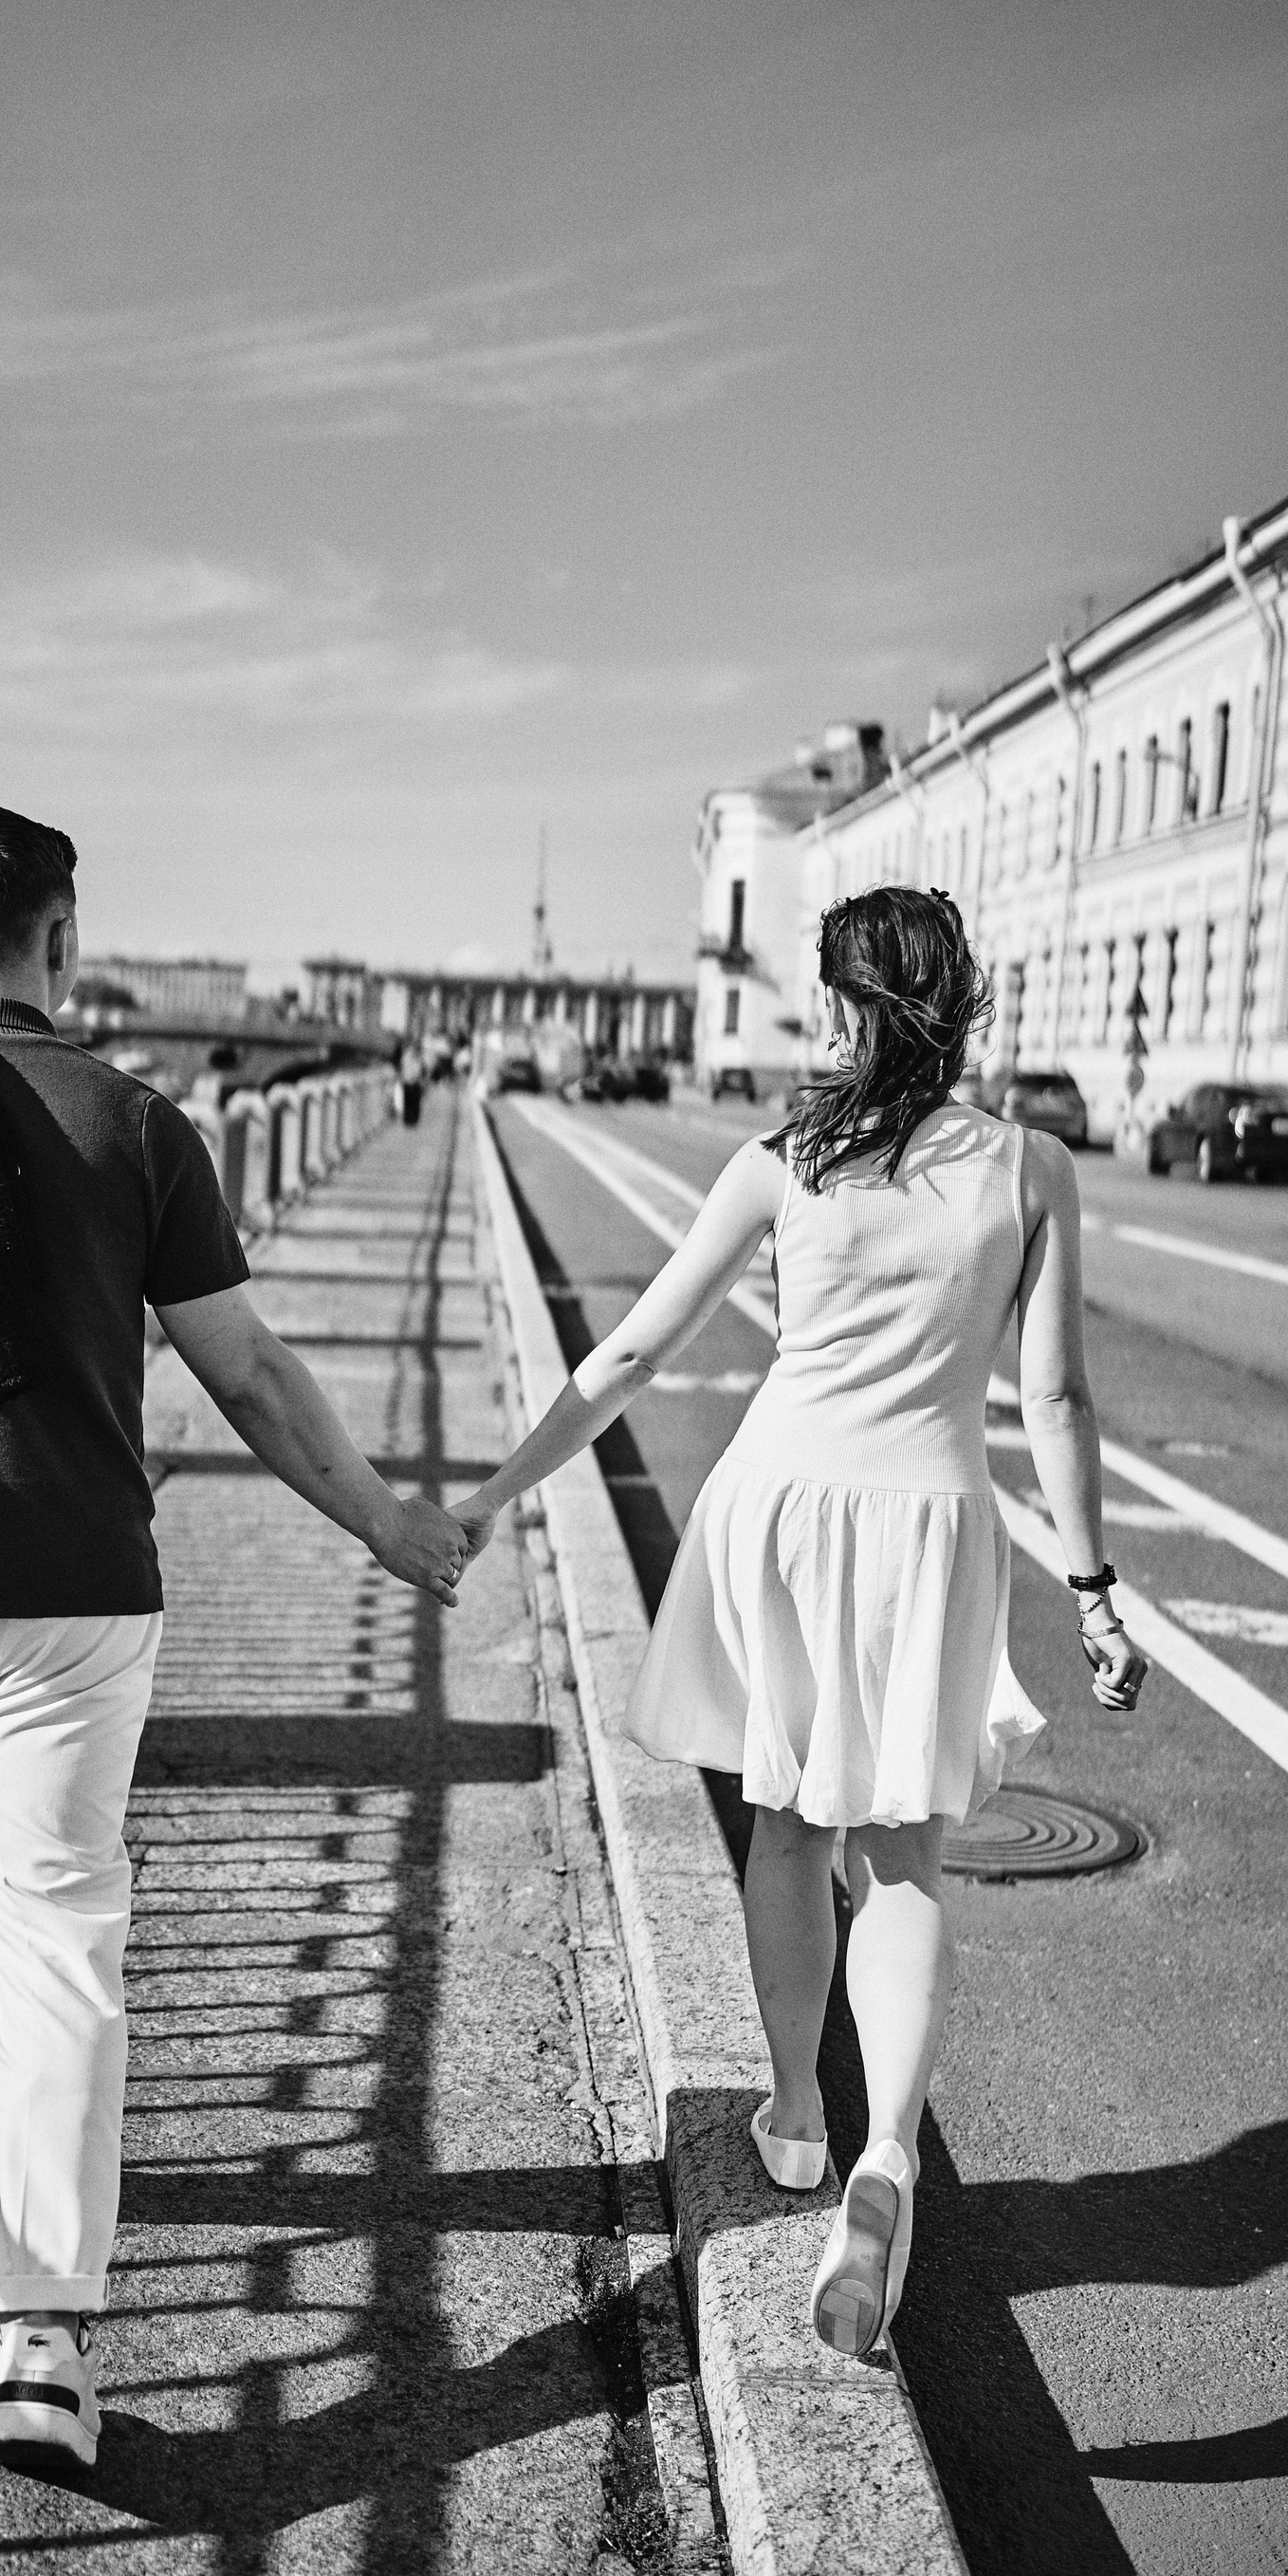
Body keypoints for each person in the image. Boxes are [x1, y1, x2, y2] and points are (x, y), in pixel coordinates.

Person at [0, 805, 468, 2472]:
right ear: (61, 939)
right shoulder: (138, 1124)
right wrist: (384, 1522)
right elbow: (248, 1372)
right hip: (81, 1584)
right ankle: (41, 2343)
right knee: (61, 1939)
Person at [451, 887, 1146, 2359]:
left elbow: (633, 1353)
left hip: (782, 1514)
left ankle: (792, 2115)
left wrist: (493, 1495)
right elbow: (1057, 1397)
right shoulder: (1029, 1169)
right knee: (902, 1856)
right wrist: (1093, 1594)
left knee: (787, 1829)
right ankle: (888, 2149)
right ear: (956, 1008)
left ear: (839, 1010)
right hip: (931, 1524)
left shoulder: (782, 1168)